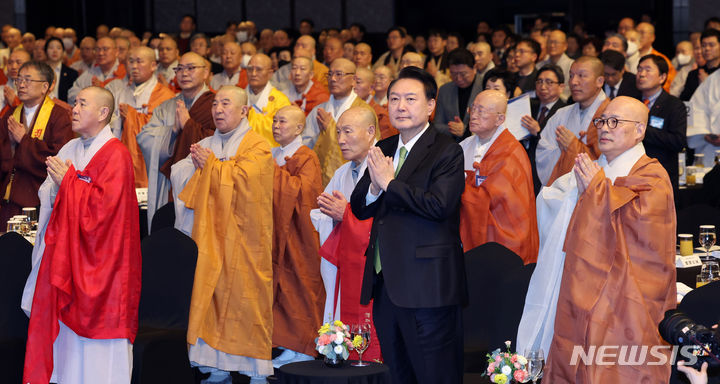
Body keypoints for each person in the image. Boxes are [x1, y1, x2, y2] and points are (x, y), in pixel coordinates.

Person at [529, 96, 676, 383]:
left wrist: (595, 190)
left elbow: (644, 237)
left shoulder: (652, 175)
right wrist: (583, 190)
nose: (605, 129)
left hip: (626, 296)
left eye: (615, 122)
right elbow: (553, 202)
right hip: (581, 286)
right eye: (601, 121)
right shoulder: (595, 167)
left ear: (639, 130)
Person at [349, 66, 466, 384]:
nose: (400, 106)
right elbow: (359, 207)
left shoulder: (447, 151)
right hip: (386, 285)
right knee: (397, 374)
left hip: (428, 287)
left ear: (430, 106)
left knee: (434, 374)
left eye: (410, 99)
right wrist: (374, 187)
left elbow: (439, 206)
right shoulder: (384, 148)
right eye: (394, 98)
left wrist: (389, 183)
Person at [22, 86, 141, 384]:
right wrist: (61, 185)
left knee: (100, 351)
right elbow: (48, 194)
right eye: (74, 103)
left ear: (103, 113)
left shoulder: (117, 155)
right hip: (66, 258)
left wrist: (70, 183)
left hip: (102, 265)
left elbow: (105, 213)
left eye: (82, 104)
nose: (73, 109)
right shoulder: (70, 148)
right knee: (65, 350)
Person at [171, 86, 274, 384]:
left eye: (225, 103)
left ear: (244, 110)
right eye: (215, 103)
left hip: (245, 240)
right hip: (210, 237)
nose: (218, 109)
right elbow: (179, 176)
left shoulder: (258, 146)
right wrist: (197, 165)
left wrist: (213, 167)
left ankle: (253, 368)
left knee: (247, 300)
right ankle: (213, 365)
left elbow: (251, 182)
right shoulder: (206, 143)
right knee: (209, 297)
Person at [312, 106, 382, 362]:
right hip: (345, 266)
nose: (340, 140)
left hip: (372, 269)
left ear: (370, 132)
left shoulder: (384, 168)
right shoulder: (342, 172)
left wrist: (346, 215)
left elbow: (387, 221)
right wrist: (328, 215)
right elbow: (324, 214)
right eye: (338, 132)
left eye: (348, 132)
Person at [269, 105, 325, 368]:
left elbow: (305, 195)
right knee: (280, 288)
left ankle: (303, 346)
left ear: (299, 128)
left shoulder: (306, 157)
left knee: (299, 287)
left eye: (282, 121)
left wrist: (273, 174)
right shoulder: (274, 155)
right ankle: (286, 343)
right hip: (276, 233)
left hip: (299, 237)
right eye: (274, 120)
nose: (276, 125)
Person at [137, 51, 215, 230]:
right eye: (179, 69)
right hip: (169, 184)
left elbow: (218, 142)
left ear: (205, 73)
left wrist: (188, 124)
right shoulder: (166, 107)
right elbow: (144, 138)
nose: (184, 73)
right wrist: (172, 131)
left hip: (204, 184)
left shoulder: (215, 105)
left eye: (191, 68)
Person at [458, 90, 538, 263]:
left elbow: (501, 200)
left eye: (482, 111)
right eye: (473, 109)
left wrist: (463, 184)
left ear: (500, 119)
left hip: (503, 241)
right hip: (469, 234)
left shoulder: (511, 152)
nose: (474, 115)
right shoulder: (463, 146)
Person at [0, 61, 73, 226]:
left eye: (28, 80)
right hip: (10, 198)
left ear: (45, 86)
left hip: (42, 198)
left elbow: (58, 158)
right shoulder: (11, 114)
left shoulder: (59, 116)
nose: (21, 85)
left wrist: (23, 140)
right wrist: (10, 145)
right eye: (19, 80)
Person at [536, 56, 610, 186]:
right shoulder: (562, 114)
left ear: (599, 81)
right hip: (561, 195)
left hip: (594, 194)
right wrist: (563, 149)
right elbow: (543, 152)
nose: (574, 82)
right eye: (571, 76)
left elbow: (610, 161)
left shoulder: (612, 116)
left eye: (581, 76)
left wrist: (572, 147)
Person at [303, 58, 377, 185]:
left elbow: (370, 148)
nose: (333, 79)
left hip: (352, 179)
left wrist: (331, 129)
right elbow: (304, 145)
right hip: (318, 179)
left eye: (339, 74)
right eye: (330, 74)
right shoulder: (319, 110)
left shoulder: (365, 111)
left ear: (353, 80)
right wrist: (321, 135)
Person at [636, 54, 687, 191]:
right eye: (639, 69)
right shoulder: (631, 102)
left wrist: (642, 129)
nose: (641, 74)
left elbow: (678, 141)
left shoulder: (674, 105)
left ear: (662, 77)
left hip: (661, 177)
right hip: (633, 175)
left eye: (647, 69)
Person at [520, 64, 566, 194]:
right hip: (523, 168)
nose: (543, 86)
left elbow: (558, 148)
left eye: (549, 82)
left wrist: (538, 133)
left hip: (546, 174)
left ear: (561, 87)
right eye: (539, 81)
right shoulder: (527, 106)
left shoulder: (564, 112)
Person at [434, 48, 484, 141]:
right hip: (451, 145)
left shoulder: (485, 87)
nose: (459, 78)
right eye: (453, 74)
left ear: (474, 68)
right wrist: (453, 129)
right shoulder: (444, 90)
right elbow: (437, 125)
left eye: (463, 74)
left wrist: (465, 129)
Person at [245, 53, 291, 146]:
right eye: (250, 69)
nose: (253, 73)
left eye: (258, 69)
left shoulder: (281, 100)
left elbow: (282, 130)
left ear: (270, 73)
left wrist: (249, 115)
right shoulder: (237, 97)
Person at [67, 37, 126, 105]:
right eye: (97, 49)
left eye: (105, 49)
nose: (100, 53)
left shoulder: (124, 72)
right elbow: (72, 93)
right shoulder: (90, 73)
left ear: (116, 52)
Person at [356, 67, 397, 140]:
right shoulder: (365, 101)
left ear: (391, 81)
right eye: (375, 77)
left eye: (381, 77)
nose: (377, 80)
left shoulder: (395, 103)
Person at [680, 29, 720, 101]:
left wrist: (707, 84)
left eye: (711, 45)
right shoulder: (694, 74)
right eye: (703, 45)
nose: (707, 48)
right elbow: (685, 101)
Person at [636, 22, 676, 91]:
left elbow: (668, 85)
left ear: (652, 37)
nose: (638, 36)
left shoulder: (661, 59)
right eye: (636, 33)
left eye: (642, 33)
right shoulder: (626, 57)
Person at [536, 30, 573, 100]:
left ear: (565, 46)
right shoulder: (539, 66)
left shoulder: (572, 65)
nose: (552, 45)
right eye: (549, 42)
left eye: (556, 42)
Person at [44, 37, 78, 103]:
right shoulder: (39, 72)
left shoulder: (72, 73)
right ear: (46, 51)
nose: (55, 51)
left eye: (58, 48)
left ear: (63, 51)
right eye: (51, 48)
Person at [0, 48, 31, 116]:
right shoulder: (2, 89)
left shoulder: (36, 90)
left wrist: (15, 103)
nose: (13, 67)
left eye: (18, 62)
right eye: (10, 63)